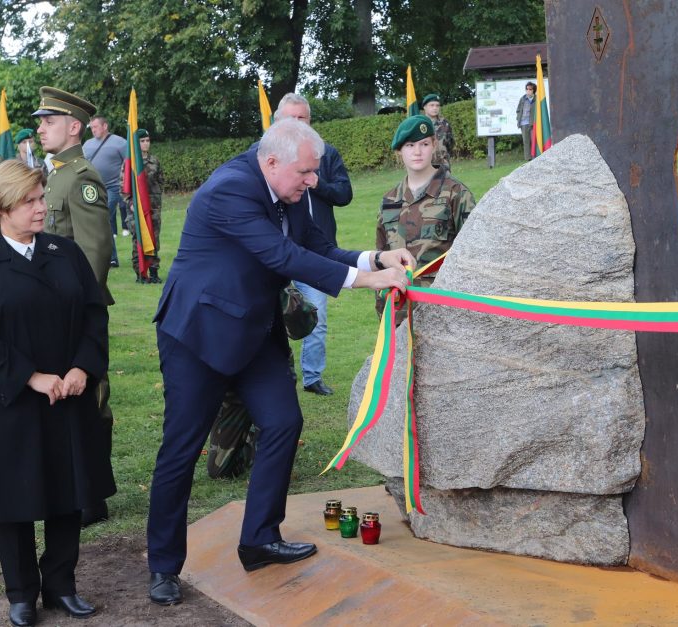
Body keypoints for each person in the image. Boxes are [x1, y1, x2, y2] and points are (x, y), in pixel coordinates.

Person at [145, 117, 414, 606]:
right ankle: (163, 565)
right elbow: (281, 256)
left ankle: (260, 538)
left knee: (284, 421)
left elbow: (318, 246)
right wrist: (366, 283)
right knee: (180, 451)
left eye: (315, 173)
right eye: (306, 173)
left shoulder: (289, 188)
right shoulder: (230, 189)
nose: (314, 181)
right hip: (199, 335)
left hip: (255, 330)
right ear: (271, 162)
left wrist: (376, 258)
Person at [0, 160, 115, 626]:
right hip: (10, 401)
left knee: (69, 489)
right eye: (31, 201)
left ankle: (62, 585)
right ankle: (21, 592)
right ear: (3, 207)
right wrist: (32, 377)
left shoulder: (65, 252)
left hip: (69, 393)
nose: (42, 208)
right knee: (15, 497)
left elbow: (93, 314)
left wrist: (83, 365)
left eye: (42, 197)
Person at [32, 86, 115, 527]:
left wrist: (79, 312)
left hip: (77, 309)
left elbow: (94, 253)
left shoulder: (80, 176)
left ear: (74, 127)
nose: (40, 128)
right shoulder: (54, 174)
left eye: (48, 121)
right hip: (53, 308)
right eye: (41, 121)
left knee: (90, 398)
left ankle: (94, 494)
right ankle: (77, 486)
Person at [274, 93, 353, 396]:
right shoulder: (267, 160)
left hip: (316, 251)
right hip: (277, 254)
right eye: (290, 118)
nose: (296, 124)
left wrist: (317, 183)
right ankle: (279, 377)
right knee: (272, 320)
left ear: (310, 121)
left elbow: (344, 195)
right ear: (278, 121)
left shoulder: (327, 155)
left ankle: (312, 377)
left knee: (314, 317)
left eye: (302, 118)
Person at [376, 115, 475, 318]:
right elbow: (381, 259)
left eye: (424, 144)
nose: (418, 152)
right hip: (399, 311)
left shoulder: (456, 193)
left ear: (434, 145)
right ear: (399, 151)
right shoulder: (390, 200)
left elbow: (473, 256)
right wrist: (383, 307)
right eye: (410, 145)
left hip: (442, 310)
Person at [84, 115, 128, 266]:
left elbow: (129, 164)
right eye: (92, 128)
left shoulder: (120, 143)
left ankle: (111, 257)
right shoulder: (87, 144)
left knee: (103, 216)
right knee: (101, 221)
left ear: (105, 126)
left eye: (96, 127)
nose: (93, 130)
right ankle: (110, 257)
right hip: (93, 188)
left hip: (114, 187)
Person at [120, 128, 163, 284]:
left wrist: (156, 200)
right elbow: (123, 188)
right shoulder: (130, 164)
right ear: (136, 144)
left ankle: (154, 272)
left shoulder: (155, 160)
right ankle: (140, 273)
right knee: (138, 239)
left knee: (154, 239)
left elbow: (160, 181)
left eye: (147, 140)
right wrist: (131, 203)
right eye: (142, 141)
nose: (146, 144)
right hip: (136, 210)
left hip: (153, 208)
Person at [421, 94, 454, 170]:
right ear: (425, 107)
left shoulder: (445, 123)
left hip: (443, 165)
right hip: (425, 165)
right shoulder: (420, 124)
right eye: (431, 105)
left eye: (437, 105)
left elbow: (450, 144)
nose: (435, 108)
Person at [516, 81, 536, 161]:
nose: (528, 91)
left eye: (530, 89)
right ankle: (528, 159)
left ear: (533, 90)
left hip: (533, 123)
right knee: (526, 142)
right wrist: (518, 118)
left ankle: (535, 157)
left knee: (534, 141)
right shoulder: (523, 98)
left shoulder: (536, 99)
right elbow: (518, 110)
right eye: (527, 89)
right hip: (523, 123)